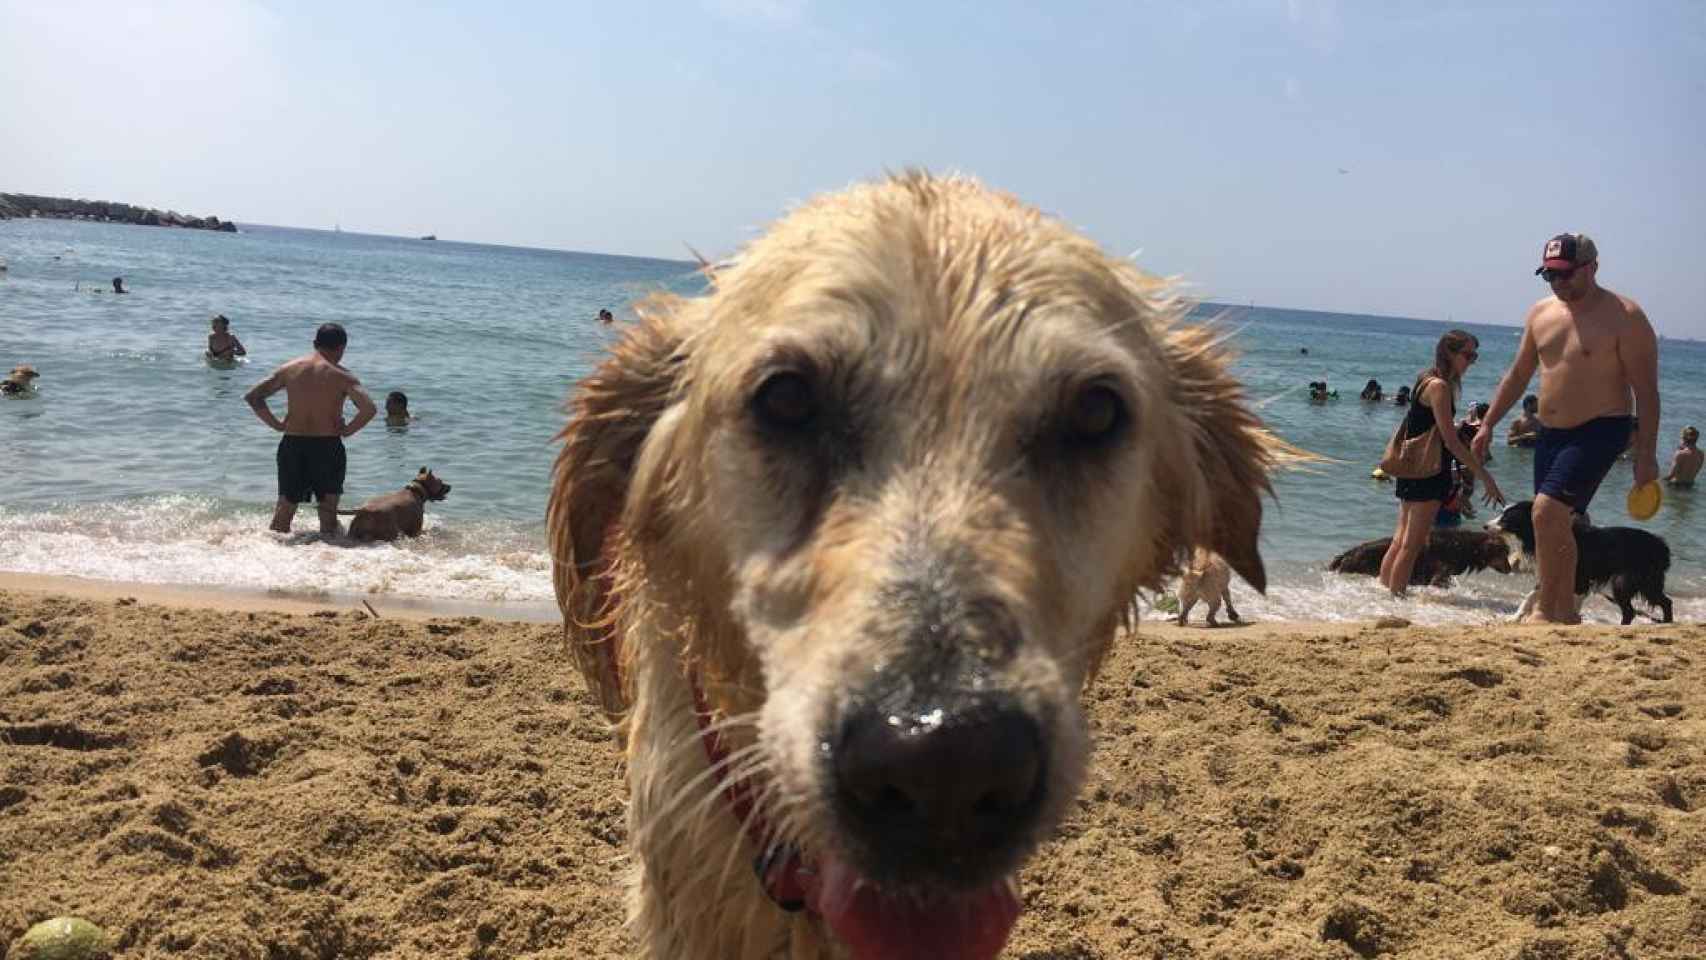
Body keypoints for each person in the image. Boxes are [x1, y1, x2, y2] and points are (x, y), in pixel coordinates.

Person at [1472, 233, 1661, 624]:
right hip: (1551, 433)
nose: (1558, 283)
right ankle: (1564, 612)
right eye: (1549, 276)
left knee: (1545, 513)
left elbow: (1646, 391)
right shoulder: (1541, 313)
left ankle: (1545, 610)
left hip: (1602, 428)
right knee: (1557, 525)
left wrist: (1646, 455)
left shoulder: (1625, 316)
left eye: (1565, 274)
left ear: (1592, 267)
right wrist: (1488, 423)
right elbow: (1519, 374)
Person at [1378, 330, 1504, 596]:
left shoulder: (1426, 378)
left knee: (1400, 541)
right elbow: (1451, 441)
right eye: (1468, 355)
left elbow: (1428, 425)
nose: (1471, 361)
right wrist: (1485, 476)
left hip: (1412, 465)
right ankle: (1395, 597)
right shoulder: (1440, 387)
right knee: (1412, 545)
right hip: (1430, 471)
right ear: (1450, 353)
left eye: (1475, 356)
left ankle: (1383, 594)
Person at [243, 323, 377, 536]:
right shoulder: (343, 376)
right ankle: (325, 558)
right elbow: (369, 408)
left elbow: (253, 397)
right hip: (327, 446)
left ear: (315, 344)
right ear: (342, 347)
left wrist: (277, 424)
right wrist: (348, 430)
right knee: (327, 515)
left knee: (284, 510)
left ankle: (272, 556)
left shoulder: (289, 369)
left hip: (292, 444)